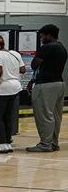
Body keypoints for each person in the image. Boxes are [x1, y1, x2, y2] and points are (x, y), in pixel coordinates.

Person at [26, 24, 67, 153]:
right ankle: (53, 143)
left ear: (49, 35)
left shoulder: (47, 47)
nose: (41, 39)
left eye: (42, 36)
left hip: (46, 85)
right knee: (56, 116)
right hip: (59, 84)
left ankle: (45, 144)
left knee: (44, 115)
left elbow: (34, 65)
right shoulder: (62, 47)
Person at [0, 34, 24, 154]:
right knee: (7, 116)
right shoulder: (14, 53)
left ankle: (1, 144)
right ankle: (7, 143)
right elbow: (22, 70)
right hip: (15, 87)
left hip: (2, 89)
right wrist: (12, 72)